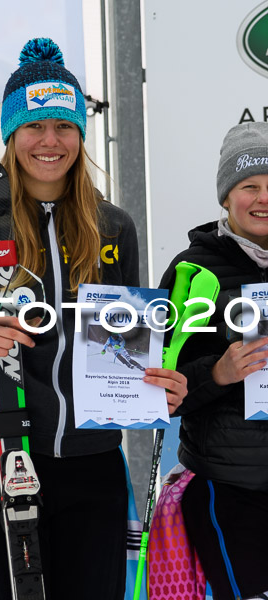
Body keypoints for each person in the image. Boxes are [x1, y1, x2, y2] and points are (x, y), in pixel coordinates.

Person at [0, 38, 186, 600]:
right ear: (11, 136)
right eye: (34, 126)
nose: (50, 141)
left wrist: (154, 387)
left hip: (93, 466)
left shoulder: (113, 227)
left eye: (64, 125)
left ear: (81, 133)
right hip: (3, 459)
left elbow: (123, 348)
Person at [159, 122, 268, 600]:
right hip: (231, 487)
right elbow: (160, 391)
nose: (264, 198)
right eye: (250, 187)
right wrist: (218, 373)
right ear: (226, 197)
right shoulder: (195, 272)